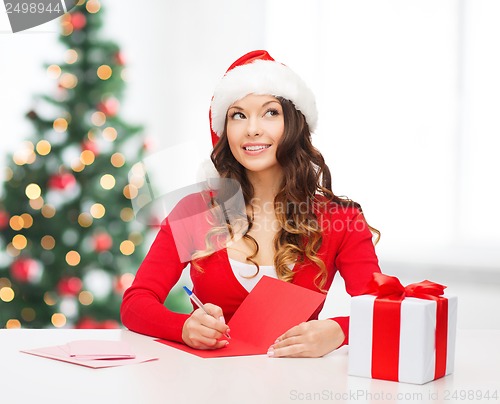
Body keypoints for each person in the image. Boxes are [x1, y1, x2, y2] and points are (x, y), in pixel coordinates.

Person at [121, 50, 381, 358]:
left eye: (270, 113)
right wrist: (183, 327)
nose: (252, 129)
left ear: (295, 124)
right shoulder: (197, 211)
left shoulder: (342, 219)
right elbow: (135, 303)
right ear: (224, 130)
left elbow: (386, 310)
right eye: (238, 115)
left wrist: (339, 331)